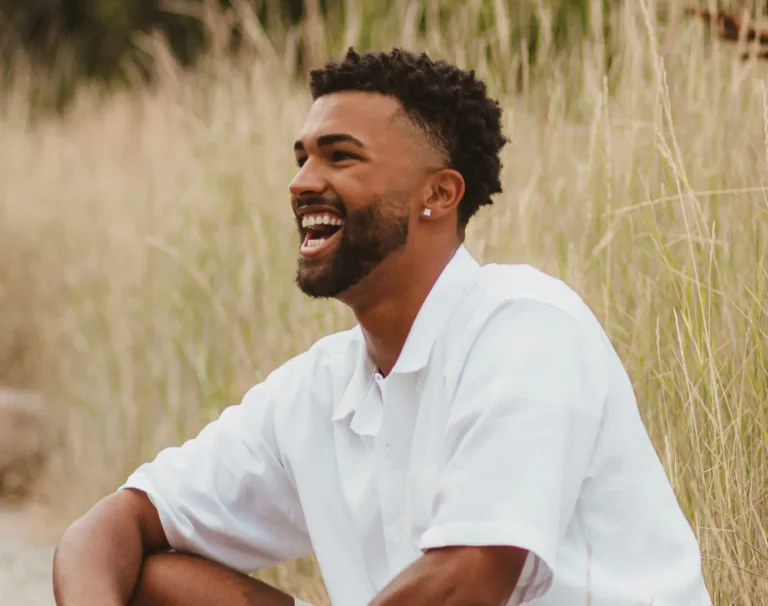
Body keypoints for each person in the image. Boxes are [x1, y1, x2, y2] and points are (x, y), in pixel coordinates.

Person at [52, 48, 712, 606]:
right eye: (302, 158)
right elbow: (115, 523)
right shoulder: (318, 389)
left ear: (439, 194)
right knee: (152, 581)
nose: (301, 183)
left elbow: (469, 580)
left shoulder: (525, 329)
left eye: (340, 157)